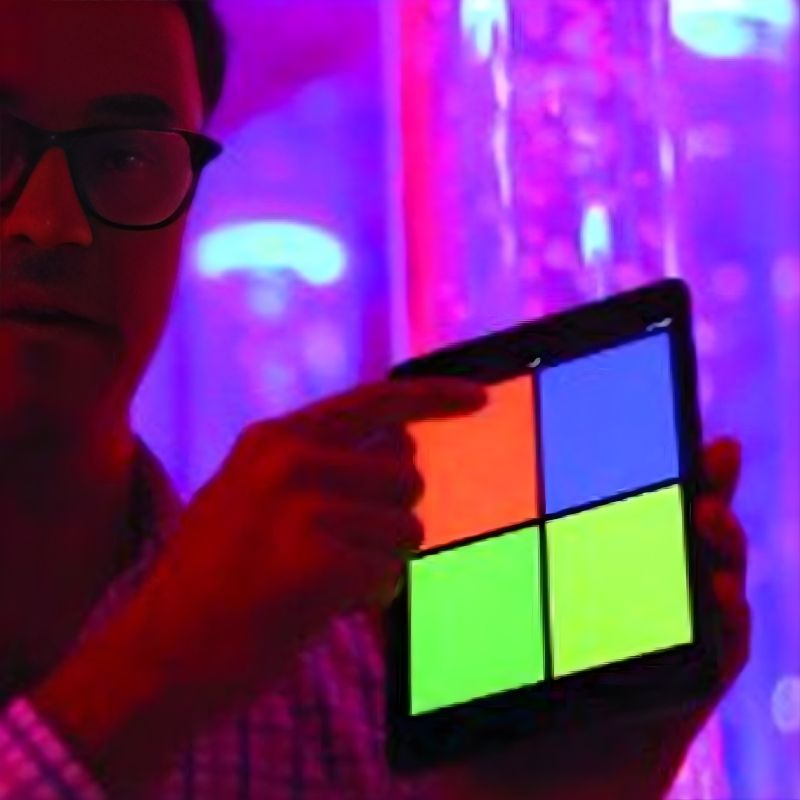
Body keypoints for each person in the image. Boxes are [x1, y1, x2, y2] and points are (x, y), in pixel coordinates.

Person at [0, 1, 750, 798]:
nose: (51, 223)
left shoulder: (331, 677)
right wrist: (157, 670)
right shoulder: (247, 647)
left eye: (123, 158)